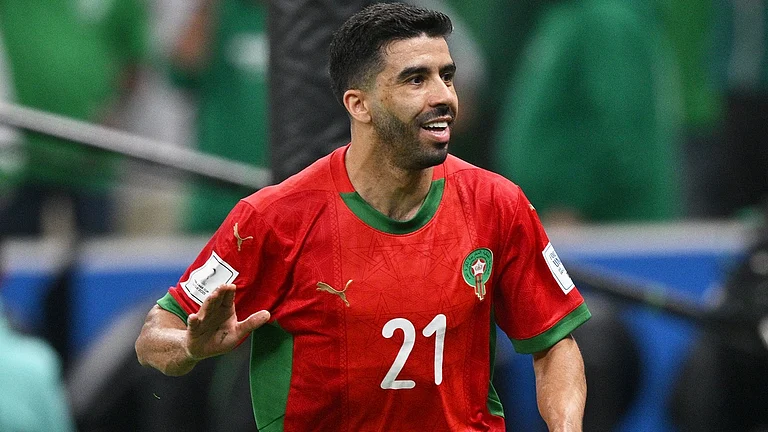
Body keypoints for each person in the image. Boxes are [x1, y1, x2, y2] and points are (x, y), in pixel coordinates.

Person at [136, 3, 590, 431]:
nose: (443, 96)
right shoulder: (273, 218)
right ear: (359, 104)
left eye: (446, 76)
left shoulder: (497, 203)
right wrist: (189, 346)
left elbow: (555, 345)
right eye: (416, 80)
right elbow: (156, 335)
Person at [493, 0, 684, 224]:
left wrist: (572, 200)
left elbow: (621, 131)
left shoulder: (607, 20)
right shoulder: (567, 16)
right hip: (559, 219)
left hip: (601, 226)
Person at [0, 0, 148, 236]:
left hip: (94, 158)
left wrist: (113, 112)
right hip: (22, 159)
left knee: (100, 253)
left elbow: (135, 58)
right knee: (15, 250)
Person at [169, 0, 270, 233]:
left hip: (283, 201)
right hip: (217, 201)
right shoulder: (218, 14)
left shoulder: (303, 22)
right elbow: (182, 71)